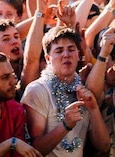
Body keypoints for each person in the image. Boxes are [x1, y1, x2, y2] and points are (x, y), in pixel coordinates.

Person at [21, 26, 110, 156]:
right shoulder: (37, 90)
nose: (66, 55)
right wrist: (65, 125)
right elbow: (34, 150)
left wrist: (93, 108)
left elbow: (104, 145)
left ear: (78, 55)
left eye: (71, 49)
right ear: (47, 59)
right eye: (59, 51)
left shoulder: (84, 88)